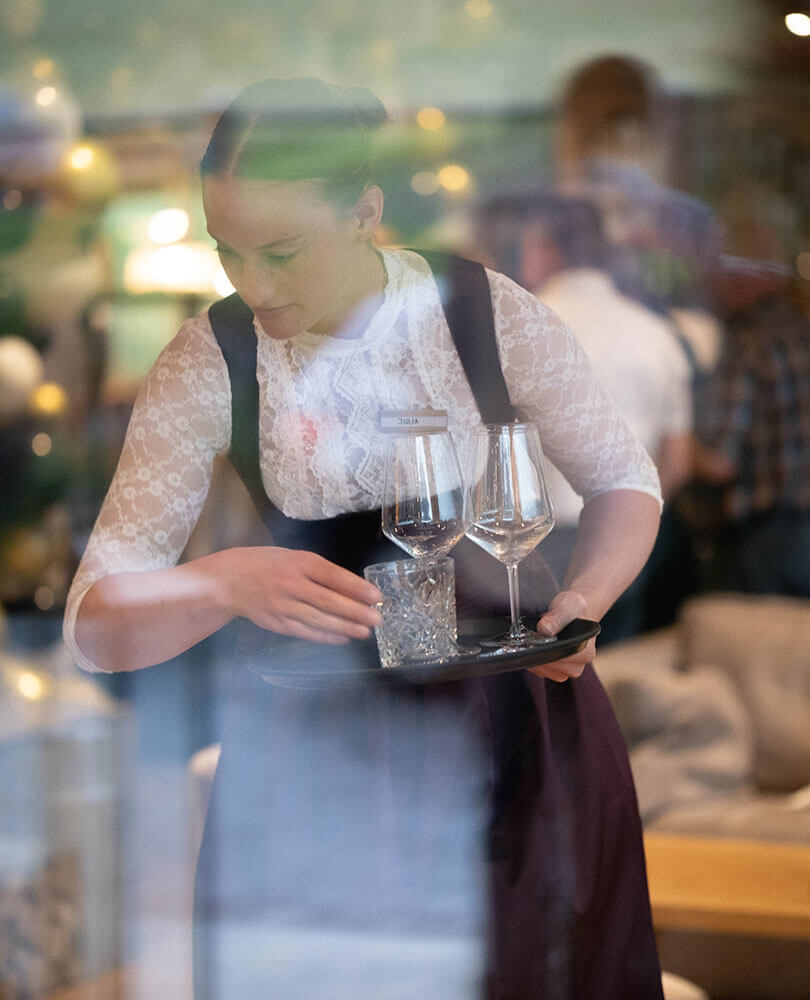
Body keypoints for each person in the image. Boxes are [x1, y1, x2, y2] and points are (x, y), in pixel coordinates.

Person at [63, 78, 664, 999]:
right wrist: (223, 582)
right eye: (227, 249)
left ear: (366, 214)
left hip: (509, 732)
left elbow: (624, 480)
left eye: (281, 251)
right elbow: (94, 626)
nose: (251, 283)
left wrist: (581, 604)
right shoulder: (209, 358)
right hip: (315, 754)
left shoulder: (483, 311)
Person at [516, 192, 693, 643]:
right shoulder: (657, 333)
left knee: (534, 670)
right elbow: (677, 460)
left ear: (545, 247)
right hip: (630, 540)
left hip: (528, 542)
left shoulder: (519, 325)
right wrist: (633, 522)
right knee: (611, 663)